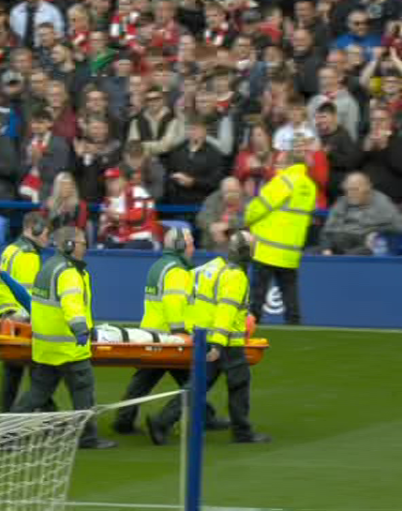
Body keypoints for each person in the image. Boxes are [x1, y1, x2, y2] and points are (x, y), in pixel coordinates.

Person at [146, 231, 271, 445]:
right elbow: (226, 311)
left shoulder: (214, 269)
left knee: (195, 387)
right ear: (245, 252)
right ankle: (242, 432)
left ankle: (162, 421)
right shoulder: (236, 277)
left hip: (204, 338)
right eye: (252, 247)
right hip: (225, 343)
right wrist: (218, 344)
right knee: (239, 384)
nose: (255, 251)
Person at [11, 226, 117, 450]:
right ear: (69, 245)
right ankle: (87, 437)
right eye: (82, 243)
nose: (85, 248)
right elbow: (72, 305)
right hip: (69, 347)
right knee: (84, 393)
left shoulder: (48, 267)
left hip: (46, 348)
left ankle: (9, 434)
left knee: (36, 395)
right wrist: (81, 329)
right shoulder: (68, 272)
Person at [113, 227, 227, 434]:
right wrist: (180, 332)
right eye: (190, 243)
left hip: (153, 333)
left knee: (151, 381)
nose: (193, 248)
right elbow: (173, 302)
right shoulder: (176, 271)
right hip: (168, 338)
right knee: (192, 379)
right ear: (180, 245)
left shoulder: (160, 266)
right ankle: (204, 418)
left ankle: (124, 421)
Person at [245, 148, 317, 327]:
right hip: (290, 253)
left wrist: (246, 218)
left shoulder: (284, 181)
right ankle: (295, 330)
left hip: (267, 249)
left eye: (280, 163)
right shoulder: (310, 186)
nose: (277, 167)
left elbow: (258, 207)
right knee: (290, 295)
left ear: (289, 164)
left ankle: (251, 329)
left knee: (257, 296)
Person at [0, 211, 54, 413]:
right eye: (45, 232)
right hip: (21, 320)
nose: (47, 238)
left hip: (5, 318)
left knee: (13, 374)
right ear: (33, 229)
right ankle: (51, 417)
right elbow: (28, 295)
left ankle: (5, 419)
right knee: (41, 375)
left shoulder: (11, 249)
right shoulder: (28, 255)